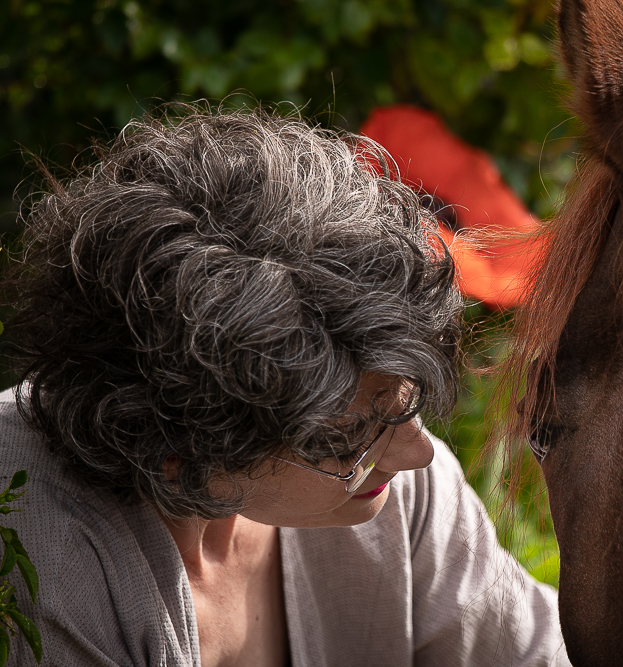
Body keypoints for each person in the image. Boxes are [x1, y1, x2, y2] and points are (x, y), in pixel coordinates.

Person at [0, 108, 569, 666]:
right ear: (183, 452)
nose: (418, 454)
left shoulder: (402, 501)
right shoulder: (35, 551)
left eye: (405, 400)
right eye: (347, 440)